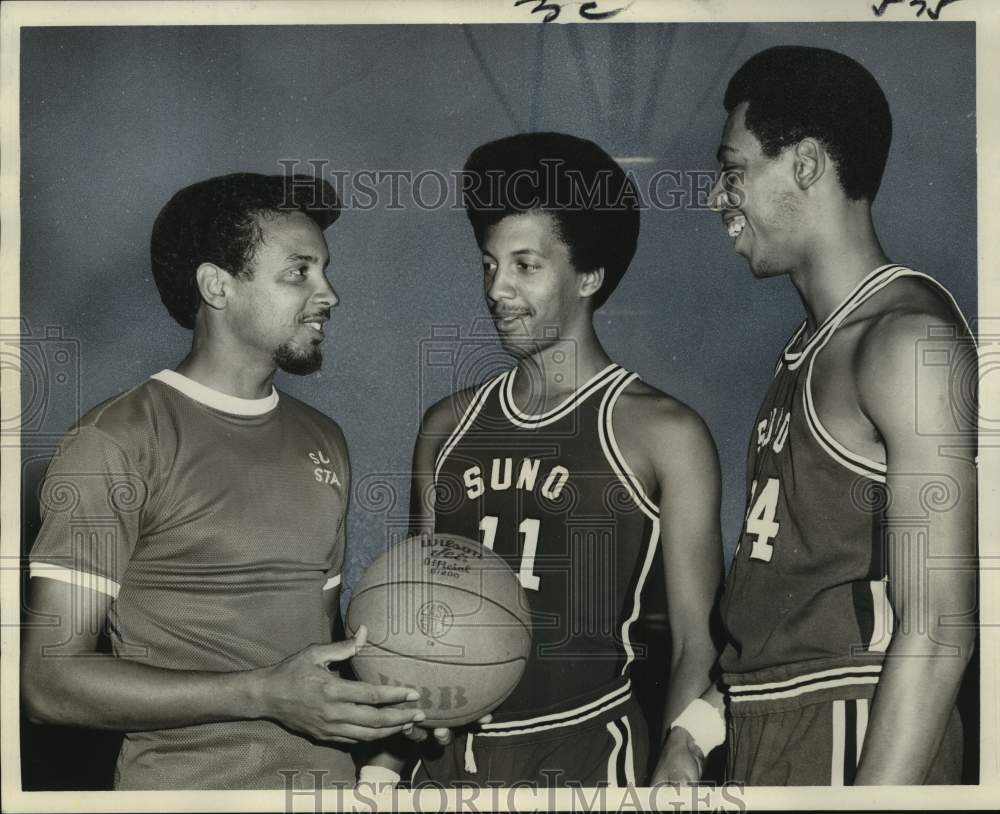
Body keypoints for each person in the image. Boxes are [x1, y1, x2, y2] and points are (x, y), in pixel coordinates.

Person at [20, 173, 427, 790]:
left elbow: (315, 662)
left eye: (324, 270)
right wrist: (264, 694)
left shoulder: (324, 439)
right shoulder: (118, 440)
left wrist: (390, 716)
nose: (329, 294)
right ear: (217, 286)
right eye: (299, 272)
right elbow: (49, 684)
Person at [366, 132, 723, 788]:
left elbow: (698, 642)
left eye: (524, 265)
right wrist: (388, 763)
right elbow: (412, 624)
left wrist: (682, 750)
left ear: (589, 276)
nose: (497, 289)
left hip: (584, 754)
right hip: (449, 768)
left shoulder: (663, 433)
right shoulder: (447, 427)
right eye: (488, 264)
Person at [664, 45, 977, 786]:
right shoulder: (810, 347)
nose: (717, 198)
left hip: (857, 725)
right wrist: (698, 728)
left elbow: (938, 632)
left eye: (733, 170)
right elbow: (789, 595)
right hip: (775, 721)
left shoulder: (907, 341)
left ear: (805, 165)